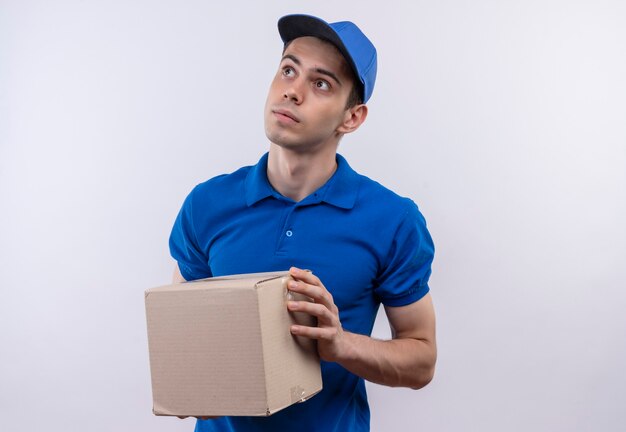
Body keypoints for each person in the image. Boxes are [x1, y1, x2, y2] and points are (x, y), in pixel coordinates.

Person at [169, 13, 436, 432]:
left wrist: (340, 344)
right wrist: (188, 384)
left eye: (321, 83)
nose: (292, 91)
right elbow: (181, 338)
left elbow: (422, 360)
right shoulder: (206, 204)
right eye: (288, 70)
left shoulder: (392, 220)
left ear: (352, 117)